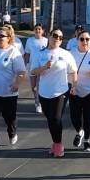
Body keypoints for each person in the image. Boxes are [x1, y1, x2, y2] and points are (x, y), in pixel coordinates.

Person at [30, 28, 77, 158]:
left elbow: (73, 71)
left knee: (56, 118)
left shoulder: (66, 54)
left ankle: (58, 145)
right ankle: (55, 142)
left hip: (61, 90)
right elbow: (33, 71)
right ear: (49, 36)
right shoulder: (39, 54)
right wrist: (44, 67)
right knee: (50, 119)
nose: (57, 39)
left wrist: (74, 86)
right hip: (44, 92)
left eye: (60, 38)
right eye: (55, 36)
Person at [0, 25, 26, 151]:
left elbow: (21, 72)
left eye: (2, 36)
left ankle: (12, 132)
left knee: (9, 117)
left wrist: (16, 84)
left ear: (9, 38)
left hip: (8, 92)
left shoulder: (14, 52)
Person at [25, 23, 49, 114]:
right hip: (32, 67)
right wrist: (25, 64)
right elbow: (27, 53)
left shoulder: (46, 41)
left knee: (39, 87)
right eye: (36, 29)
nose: (38, 31)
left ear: (42, 31)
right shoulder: (30, 41)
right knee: (33, 87)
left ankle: (39, 104)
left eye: (39, 29)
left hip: (42, 68)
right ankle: (37, 100)